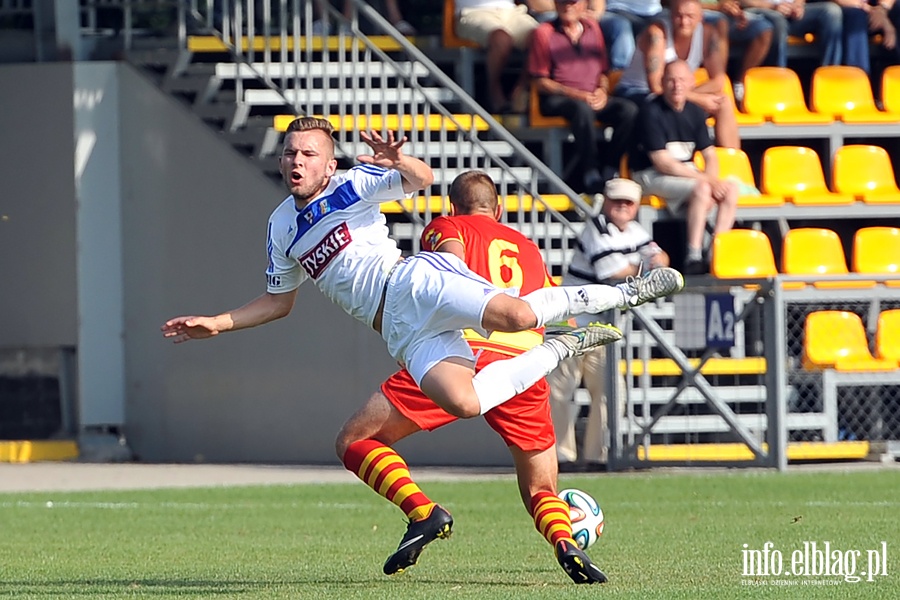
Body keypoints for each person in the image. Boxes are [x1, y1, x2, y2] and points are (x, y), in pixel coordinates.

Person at [161, 116, 685, 424]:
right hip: (395, 326)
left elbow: (422, 178)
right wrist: (219, 322)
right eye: (291, 152)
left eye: (309, 153)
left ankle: (630, 292)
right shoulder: (280, 226)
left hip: (414, 281)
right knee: (465, 402)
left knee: (517, 314)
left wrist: (397, 163)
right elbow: (279, 301)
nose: (297, 160)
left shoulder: (353, 184)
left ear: (329, 163)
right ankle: (562, 347)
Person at [336, 170, 612, 584]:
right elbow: (557, 311)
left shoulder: (447, 227)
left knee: (356, 439)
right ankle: (564, 541)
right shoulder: (528, 249)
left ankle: (423, 512)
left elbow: (451, 271)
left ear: (452, 207)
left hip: (460, 354)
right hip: (522, 364)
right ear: (498, 209)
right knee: (540, 487)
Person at [549, 178, 670, 470]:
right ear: (605, 201)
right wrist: (648, 267)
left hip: (604, 326)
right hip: (573, 322)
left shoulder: (636, 231)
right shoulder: (596, 229)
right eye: (616, 201)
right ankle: (559, 458)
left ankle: (597, 457)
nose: (621, 208)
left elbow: (662, 258)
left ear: (636, 206)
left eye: (627, 203)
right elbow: (614, 272)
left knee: (610, 392)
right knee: (560, 392)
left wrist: (649, 264)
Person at [628, 60, 738, 274]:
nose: (676, 85)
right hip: (650, 175)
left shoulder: (695, 112)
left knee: (730, 189)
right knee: (702, 190)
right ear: (662, 83)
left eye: (681, 80)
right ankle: (694, 254)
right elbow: (662, 162)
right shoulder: (650, 111)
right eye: (671, 80)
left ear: (690, 83)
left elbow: (710, 155)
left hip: (685, 174)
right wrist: (706, 181)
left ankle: (716, 251)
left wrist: (712, 179)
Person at [527, 0, 640, 192]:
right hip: (559, 96)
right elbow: (540, 81)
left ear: (583, 5)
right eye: (562, 2)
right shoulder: (544, 32)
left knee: (629, 111)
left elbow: (603, 72)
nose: (567, 6)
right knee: (582, 109)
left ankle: (610, 168)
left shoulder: (593, 28)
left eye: (572, 2)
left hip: (591, 94)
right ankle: (590, 171)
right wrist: (577, 95)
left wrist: (602, 91)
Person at [614, 0, 741, 149]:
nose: (684, 22)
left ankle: (731, 163)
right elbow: (655, 86)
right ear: (670, 15)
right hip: (638, 91)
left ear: (700, 17)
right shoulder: (656, 33)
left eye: (690, 16)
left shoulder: (707, 34)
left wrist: (692, 96)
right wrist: (697, 98)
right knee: (674, 105)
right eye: (678, 16)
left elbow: (719, 80)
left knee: (723, 102)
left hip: (675, 90)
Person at [454, 0, 542, 112]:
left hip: (512, 12)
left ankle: (521, 90)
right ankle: (494, 93)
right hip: (474, 12)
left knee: (540, 37)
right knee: (501, 38)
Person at [700, 0, 773, 100]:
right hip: (697, 14)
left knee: (763, 28)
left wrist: (735, 10)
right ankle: (720, 83)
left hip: (723, 13)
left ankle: (740, 83)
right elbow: (680, 4)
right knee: (721, 22)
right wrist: (717, 7)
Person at [741, 0, 844, 69]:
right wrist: (772, 6)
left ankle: (829, 74)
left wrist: (798, 5)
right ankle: (778, 77)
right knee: (778, 20)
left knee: (831, 11)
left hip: (792, 13)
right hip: (762, 11)